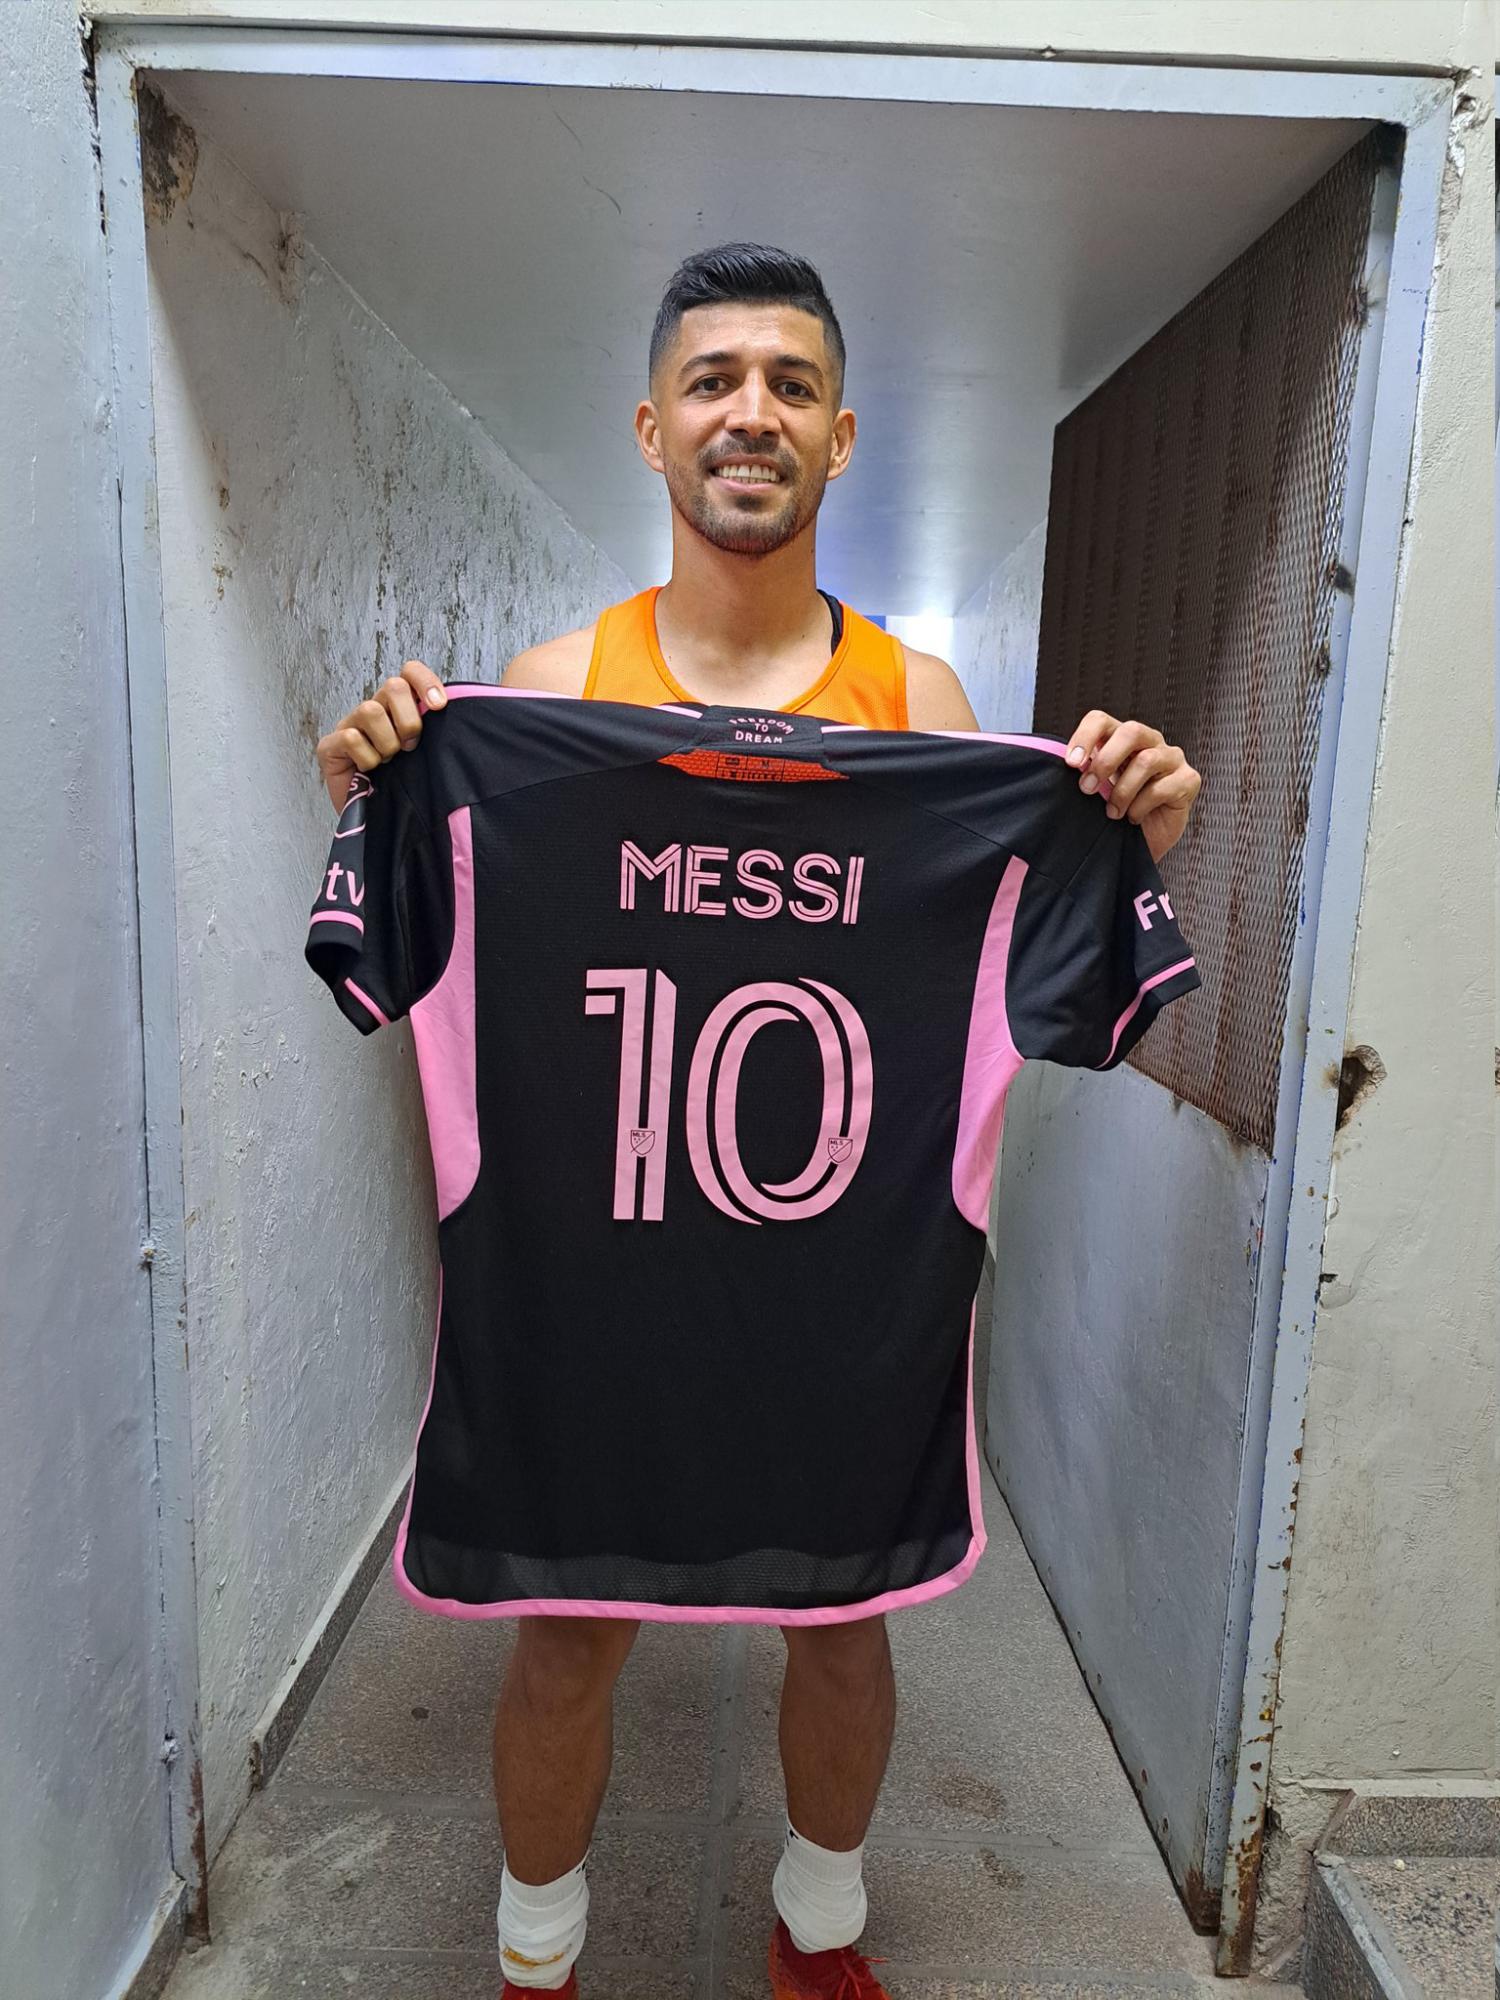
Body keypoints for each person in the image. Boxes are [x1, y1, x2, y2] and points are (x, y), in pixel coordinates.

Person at [314, 244, 1202, 2000]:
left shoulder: (930, 714)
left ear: (844, 437)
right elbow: (420, 956)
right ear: (653, 428)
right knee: (567, 1631)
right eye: (716, 380)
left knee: (843, 1624)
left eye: (790, 385)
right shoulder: (545, 693)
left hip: (838, 1300)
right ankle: (538, 1963)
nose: (752, 413)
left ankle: (819, 1938)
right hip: (599, 1286)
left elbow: (1032, 978)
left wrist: (1131, 840)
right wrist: (377, 789)